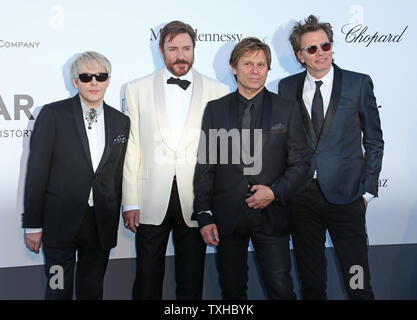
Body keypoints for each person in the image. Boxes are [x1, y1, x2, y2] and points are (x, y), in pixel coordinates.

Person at [192, 37, 311, 300]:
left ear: (268, 69)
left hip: (272, 215)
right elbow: (205, 166)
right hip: (227, 217)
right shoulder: (215, 110)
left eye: (261, 64)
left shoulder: (287, 109)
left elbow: (302, 163)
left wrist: (274, 191)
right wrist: (204, 214)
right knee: (233, 292)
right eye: (247, 64)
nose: (255, 70)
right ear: (234, 67)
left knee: (281, 289)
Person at [278, 15, 384, 300]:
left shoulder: (357, 84)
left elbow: (374, 140)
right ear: (300, 55)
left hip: (347, 197)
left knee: (358, 280)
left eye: (325, 46)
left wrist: (367, 192)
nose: (320, 53)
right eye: (311, 49)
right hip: (302, 198)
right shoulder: (287, 88)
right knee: (312, 283)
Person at [122, 20, 229, 300]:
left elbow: (221, 155)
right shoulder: (136, 89)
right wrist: (130, 201)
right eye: (173, 49)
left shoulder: (218, 91)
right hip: (149, 197)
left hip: (198, 198)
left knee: (192, 278)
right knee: (146, 276)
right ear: (161, 50)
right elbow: (132, 148)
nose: (180, 55)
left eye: (186, 48)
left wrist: (215, 203)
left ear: (194, 49)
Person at [22, 51, 130, 299]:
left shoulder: (121, 121)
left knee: (92, 291)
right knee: (58, 288)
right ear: (75, 81)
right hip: (59, 222)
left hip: (100, 222)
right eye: (86, 76)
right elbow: (37, 172)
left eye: (100, 76)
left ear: (108, 80)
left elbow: (119, 173)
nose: (94, 82)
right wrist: (33, 225)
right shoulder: (52, 115)